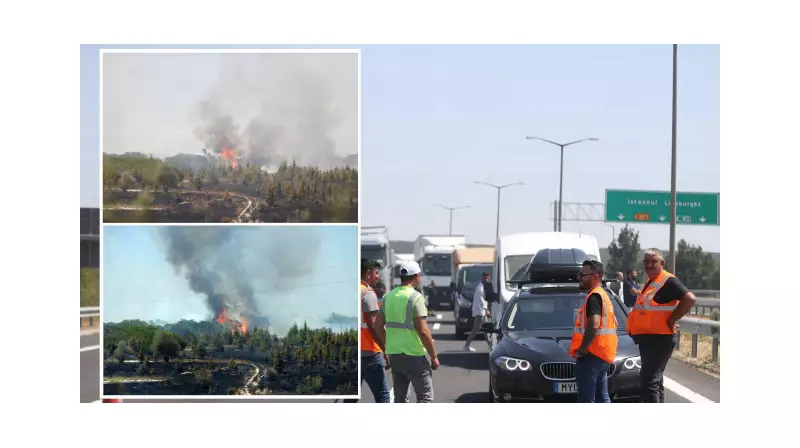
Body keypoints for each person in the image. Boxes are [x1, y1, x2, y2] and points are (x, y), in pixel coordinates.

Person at [626, 248, 696, 403]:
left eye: (653, 261)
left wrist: (672, 320)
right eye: (646, 261)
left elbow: (690, 299)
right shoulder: (651, 281)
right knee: (655, 381)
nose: (649, 265)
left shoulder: (668, 280)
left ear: (662, 263)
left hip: (660, 339)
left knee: (649, 381)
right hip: (649, 338)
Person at [375, 261, 439, 403]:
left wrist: (388, 347)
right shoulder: (416, 297)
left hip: (395, 356)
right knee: (424, 397)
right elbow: (423, 331)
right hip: (414, 355)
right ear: (416, 276)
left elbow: (378, 326)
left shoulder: (387, 297)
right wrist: (434, 356)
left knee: (400, 398)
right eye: (419, 276)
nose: (420, 279)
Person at [569, 259, 618, 403]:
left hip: (591, 354)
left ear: (596, 276)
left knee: (586, 399)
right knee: (602, 397)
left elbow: (594, 324)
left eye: (583, 275)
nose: (580, 278)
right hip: (602, 354)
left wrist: (582, 349)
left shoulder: (594, 297)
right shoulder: (603, 295)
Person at [354, 258, 391, 403]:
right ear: (368, 273)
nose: (378, 276)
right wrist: (386, 349)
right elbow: (374, 326)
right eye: (376, 273)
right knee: (383, 396)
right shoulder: (367, 293)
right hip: (370, 353)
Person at [463, 272, 491, 352]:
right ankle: (466, 346)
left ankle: (490, 345)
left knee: (486, 329)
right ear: (482, 278)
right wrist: (487, 310)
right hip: (480, 312)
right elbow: (482, 301)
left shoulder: (483, 287)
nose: (487, 279)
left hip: (481, 311)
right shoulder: (480, 288)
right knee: (476, 329)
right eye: (485, 278)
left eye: (488, 278)